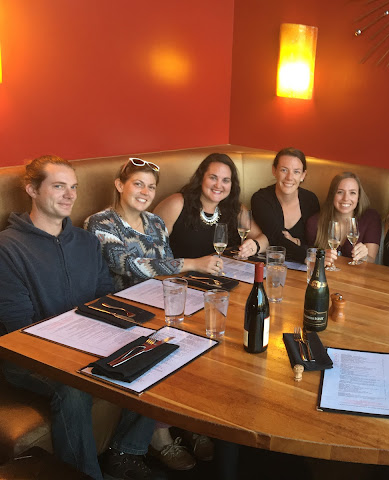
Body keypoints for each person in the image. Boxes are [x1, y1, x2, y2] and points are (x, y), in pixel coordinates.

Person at [0, 155, 155, 480]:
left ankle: (126, 451)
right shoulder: (8, 248)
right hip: (25, 357)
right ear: (31, 189)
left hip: (86, 343)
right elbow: (19, 327)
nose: (70, 195)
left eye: (73, 187)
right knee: (74, 387)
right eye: (59, 186)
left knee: (159, 348)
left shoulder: (86, 241)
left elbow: (104, 299)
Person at [84, 157, 215, 470]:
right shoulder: (100, 223)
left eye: (151, 187)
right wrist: (193, 263)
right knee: (166, 346)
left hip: (157, 305)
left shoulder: (155, 223)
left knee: (206, 336)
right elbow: (126, 265)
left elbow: (166, 268)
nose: (145, 192)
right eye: (138, 184)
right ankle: (155, 438)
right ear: (120, 185)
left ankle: (189, 420)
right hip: (119, 313)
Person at [154, 153, 267, 265]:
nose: (218, 185)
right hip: (181, 275)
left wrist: (255, 246)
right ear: (201, 178)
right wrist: (195, 264)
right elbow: (150, 255)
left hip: (224, 274)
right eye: (213, 178)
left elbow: (264, 239)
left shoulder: (236, 209)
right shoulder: (177, 203)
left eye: (225, 180)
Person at [251, 147, 320, 263]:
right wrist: (307, 256)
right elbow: (275, 238)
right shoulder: (261, 199)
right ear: (274, 171)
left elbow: (315, 241)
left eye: (296, 172)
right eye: (284, 170)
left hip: (303, 267)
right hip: (269, 264)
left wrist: (297, 242)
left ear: (303, 175)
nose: (289, 177)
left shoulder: (310, 200)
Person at [305, 172, 381, 265]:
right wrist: (318, 257)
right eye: (340, 192)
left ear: (358, 197)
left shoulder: (370, 218)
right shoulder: (314, 222)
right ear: (332, 195)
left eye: (352, 193)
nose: (346, 198)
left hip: (357, 273)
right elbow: (310, 258)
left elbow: (371, 260)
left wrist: (364, 257)